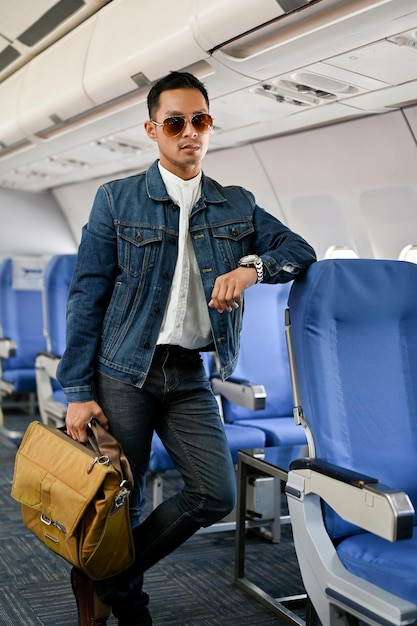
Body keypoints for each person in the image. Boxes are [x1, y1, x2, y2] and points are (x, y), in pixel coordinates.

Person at [57, 70, 317, 626]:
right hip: (123, 369)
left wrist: (252, 268)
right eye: (175, 122)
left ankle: (103, 576)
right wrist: (76, 391)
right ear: (153, 129)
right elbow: (86, 296)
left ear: (209, 126)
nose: (189, 132)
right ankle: (131, 609)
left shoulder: (236, 205)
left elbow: (300, 250)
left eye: (199, 120)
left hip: (190, 373)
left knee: (212, 494)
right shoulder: (116, 199)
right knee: (124, 501)